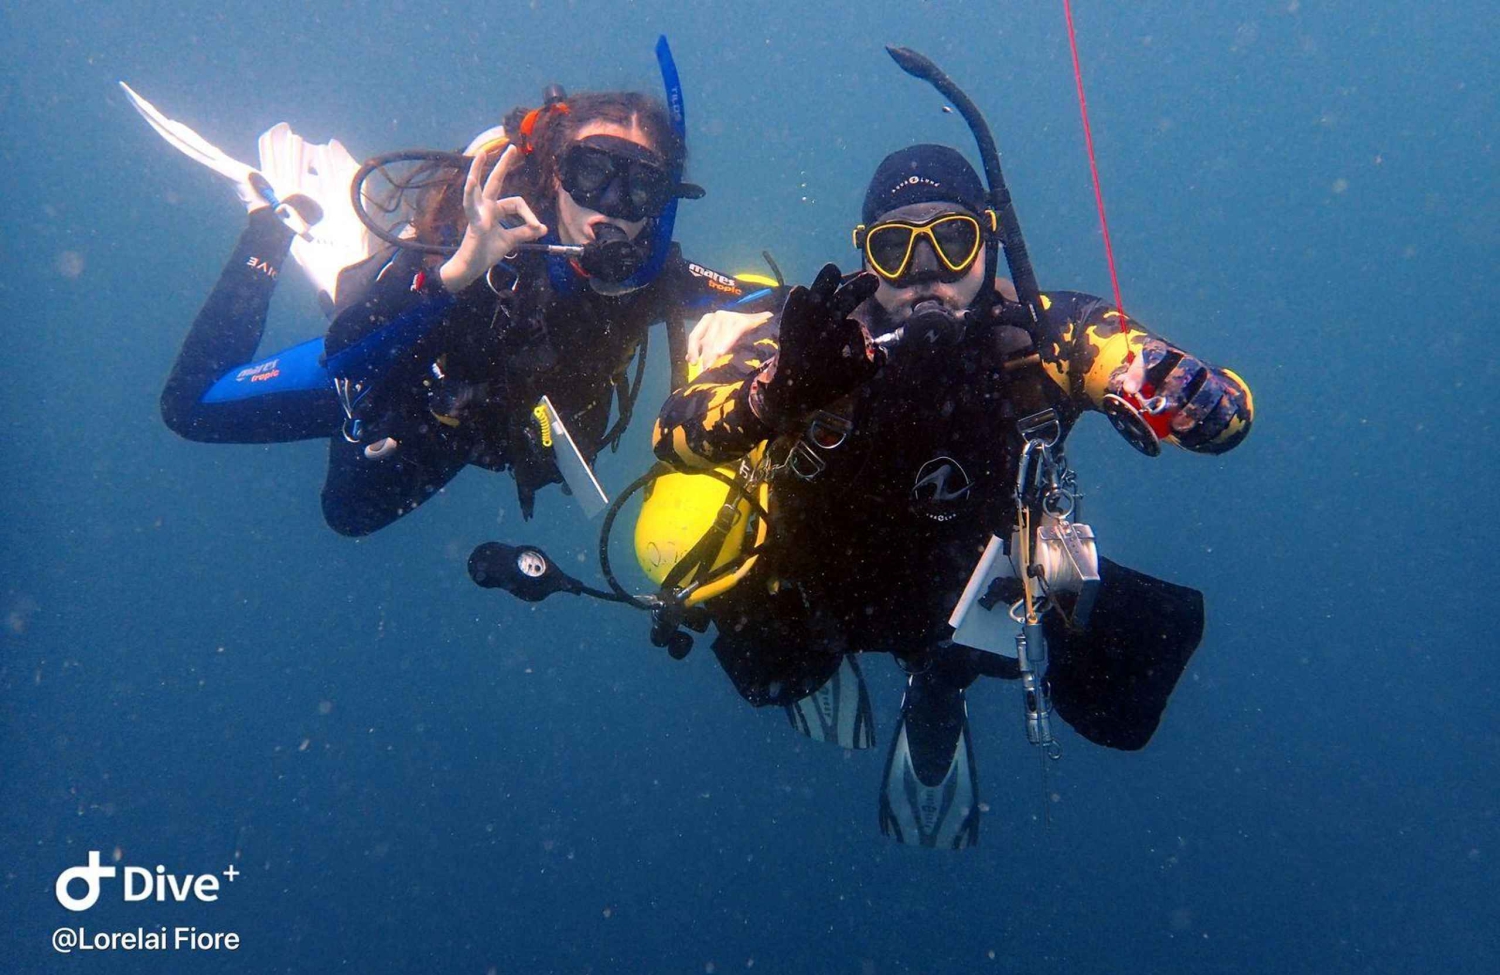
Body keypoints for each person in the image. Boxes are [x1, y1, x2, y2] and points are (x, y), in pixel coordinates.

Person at [649, 141, 1254, 848]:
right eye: (895, 249)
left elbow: (1206, 403)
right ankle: (830, 667)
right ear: (866, 257)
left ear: (988, 244)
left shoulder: (1044, 333)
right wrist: (773, 393)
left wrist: (1176, 389)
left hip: (974, 593)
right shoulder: (814, 338)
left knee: (1114, 640)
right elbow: (674, 434)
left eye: (953, 240)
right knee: (766, 658)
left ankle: (937, 684)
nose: (925, 273)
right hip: (827, 582)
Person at [135, 41, 772, 537]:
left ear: (662, 203)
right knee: (189, 409)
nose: (610, 206)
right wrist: (454, 274)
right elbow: (345, 349)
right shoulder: (484, 238)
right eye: (592, 173)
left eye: (638, 188)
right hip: (389, 369)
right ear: (556, 172)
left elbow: (771, 302)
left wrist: (761, 322)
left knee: (348, 518)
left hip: (465, 425)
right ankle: (273, 224)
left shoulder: (648, 274)